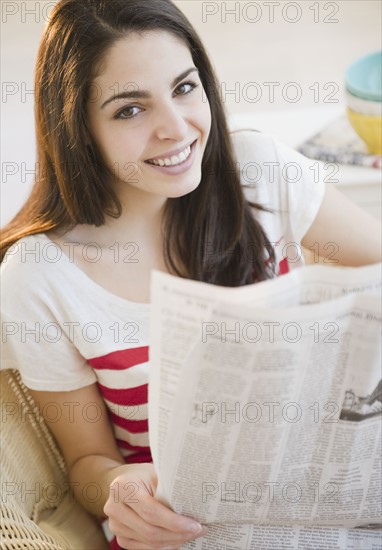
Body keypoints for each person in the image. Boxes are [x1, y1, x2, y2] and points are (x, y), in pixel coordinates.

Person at [1, 1, 381, 549]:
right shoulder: (40, 277)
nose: (176, 130)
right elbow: (88, 463)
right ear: (78, 130)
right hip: (188, 532)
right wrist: (120, 486)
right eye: (129, 110)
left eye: (184, 88)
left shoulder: (257, 172)